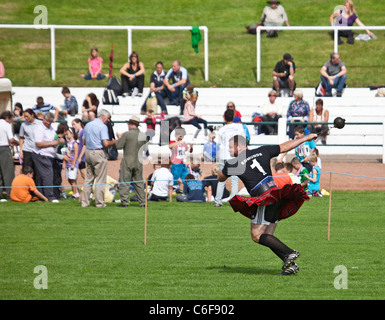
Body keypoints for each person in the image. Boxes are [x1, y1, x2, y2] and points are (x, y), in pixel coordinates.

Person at [217, 133, 317, 275]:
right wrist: (306, 138)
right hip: (277, 194)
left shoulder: (234, 163)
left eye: (230, 147)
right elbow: (284, 146)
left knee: (257, 235)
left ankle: (289, 252)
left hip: (264, 198)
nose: (228, 150)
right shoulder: (262, 150)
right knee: (268, 236)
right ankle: (290, 265)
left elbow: (220, 178)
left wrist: (222, 169)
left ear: (238, 146)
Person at [81, 109, 117, 208]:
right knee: (100, 180)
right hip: (98, 152)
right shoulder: (102, 126)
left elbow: (83, 141)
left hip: (88, 152)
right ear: (103, 116)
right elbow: (106, 143)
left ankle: (84, 202)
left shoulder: (88, 125)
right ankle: (99, 203)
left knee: (88, 179)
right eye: (108, 118)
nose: (108, 120)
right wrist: (114, 142)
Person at [215, 109, 245, 207]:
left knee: (221, 178)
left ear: (224, 118)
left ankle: (218, 201)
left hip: (223, 154)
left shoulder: (221, 129)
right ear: (233, 117)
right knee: (234, 179)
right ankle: (234, 200)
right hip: (233, 154)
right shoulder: (239, 127)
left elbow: (219, 143)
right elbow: (243, 140)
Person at [115, 116, 147, 207]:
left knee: (125, 182)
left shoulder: (126, 134)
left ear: (131, 124)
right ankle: (142, 202)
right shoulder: (143, 135)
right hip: (138, 161)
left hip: (127, 160)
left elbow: (118, 146)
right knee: (139, 182)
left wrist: (119, 138)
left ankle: (124, 202)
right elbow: (145, 147)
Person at [32, 112, 64, 202]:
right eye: (47, 121)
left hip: (48, 155)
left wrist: (59, 140)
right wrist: (53, 143)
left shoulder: (51, 129)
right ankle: (49, 196)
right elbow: (38, 143)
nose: (48, 123)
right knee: (48, 175)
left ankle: (43, 196)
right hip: (41, 155)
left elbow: (54, 139)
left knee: (44, 176)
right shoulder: (39, 129)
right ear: (43, 119)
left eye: (50, 121)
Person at [0, 111, 17, 200]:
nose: (10, 121)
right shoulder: (6, 125)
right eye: (11, 119)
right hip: (4, 148)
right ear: (7, 118)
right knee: (8, 173)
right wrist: (16, 143)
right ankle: (9, 194)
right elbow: (11, 140)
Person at [169, 127, 193, 191]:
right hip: (175, 164)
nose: (181, 137)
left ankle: (187, 190)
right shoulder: (174, 141)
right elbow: (170, 146)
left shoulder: (183, 143)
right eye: (180, 135)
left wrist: (191, 147)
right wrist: (179, 142)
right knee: (175, 178)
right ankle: (171, 190)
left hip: (182, 164)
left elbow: (189, 150)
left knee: (186, 177)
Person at [18, 109, 40, 173]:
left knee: (37, 171)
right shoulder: (23, 125)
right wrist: (21, 151)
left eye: (27, 116)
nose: (26, 118)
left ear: (32, 115)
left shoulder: (40, 123)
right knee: (27, 170)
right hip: (27, 150)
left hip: (37, 150)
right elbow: (21, 138)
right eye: (24, 116)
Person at [63, 127, 80, 199]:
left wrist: (73, 164)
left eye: (68, 134)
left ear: (72, 134)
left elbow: (76, 154)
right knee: (70, 179)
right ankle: (75, 192)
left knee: (72, 179)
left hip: (73, 164)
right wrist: (64, 163)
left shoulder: (75, 143)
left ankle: (75, 193)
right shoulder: (67, 143)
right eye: (66, 134)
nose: (66, 136)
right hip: (68, 163)